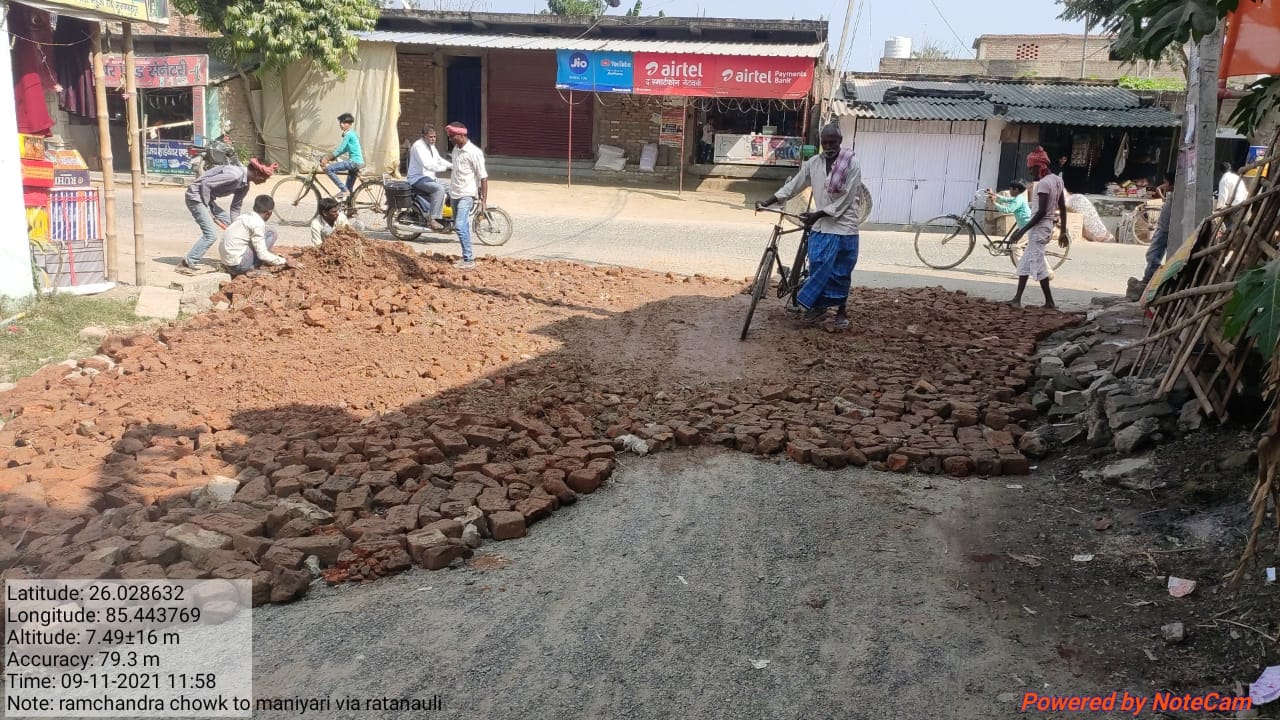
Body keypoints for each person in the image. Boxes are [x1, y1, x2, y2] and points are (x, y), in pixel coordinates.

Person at [756, 123, 862, 330]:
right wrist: (768, 202)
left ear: (840, 141)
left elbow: (846, 199)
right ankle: (817, 307)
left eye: (832, 142)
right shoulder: (814, 163)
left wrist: (817, 214)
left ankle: (841, 310)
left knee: (841, 272)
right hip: (821, 225)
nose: (828, 146)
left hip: (844, 227)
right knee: (818, 267)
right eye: (825, 143)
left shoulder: (852, 164)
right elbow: (794, 185)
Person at [180, 158, 276, 274]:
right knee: (211, 235)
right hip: (196, 197)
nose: (264, 181)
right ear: (257, 173)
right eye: (264, 178)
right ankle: (187, 262)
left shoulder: (244, 186)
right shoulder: (234, 175)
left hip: (208, 200)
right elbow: (205, 184)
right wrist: (206, 208)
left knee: (234, 228)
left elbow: (235, 208)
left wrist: (238, 227)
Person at [1009, 160, 1070, 309]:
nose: (1030, 172)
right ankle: (1017, 299)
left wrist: (1022, 230)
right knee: (1025, 263)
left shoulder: (1043, 183)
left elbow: (1041, 212)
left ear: (1039, 166)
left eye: (1031, 169)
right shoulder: (1057, 180)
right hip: (1046, 227)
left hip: (1039, 228)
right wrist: (1063, 231)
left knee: (1039, 264)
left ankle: (1049, 302)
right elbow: (1062, 206)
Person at [445, 122, 488, 270]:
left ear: (461, 135)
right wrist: (450, 194)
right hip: (455, 194)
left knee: (459, 225)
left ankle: (469, 259)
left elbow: (483, 177)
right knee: (462, 226)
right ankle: (466, 256)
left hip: (467, 194)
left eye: (452, 136)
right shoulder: (455, 150)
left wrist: (484, 200)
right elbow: (455, 174)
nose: (450, 139)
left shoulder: (474, 152)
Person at [219, 195, 293, 277]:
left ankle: (251, 264)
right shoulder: (257, 223)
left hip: (226, 263)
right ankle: (253, 267)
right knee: (271, 233)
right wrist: (284, 261)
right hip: (238, 266)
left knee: (266, 231)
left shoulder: (244, 217)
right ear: (269, 213)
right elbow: (262, 255)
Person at [407, 124, 451, 231]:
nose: (433, 139)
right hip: (417, 179)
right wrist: (445, 169)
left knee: (452, 186)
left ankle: (446, 215)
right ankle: (433, 219)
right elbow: (428, 165)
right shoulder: (418, 146)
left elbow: (439, 159)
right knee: (439, 189)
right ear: (424, 136)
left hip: (429, 178)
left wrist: (452, 166)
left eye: (434, 137)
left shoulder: (431, 146)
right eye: (431, 137)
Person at [322, 112, 364, 201]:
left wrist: (327, 158)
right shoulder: (353, 133)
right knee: (349, 189)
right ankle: (350, 206)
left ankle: (343, 190)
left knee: (329, 169)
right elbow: (345, 149)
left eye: (344, 123)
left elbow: (340, 149)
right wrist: (333, 157)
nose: (341, 124)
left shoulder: (348, 134)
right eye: (341, 122)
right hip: (358, 162)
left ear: (350, 124)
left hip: (353, 162)